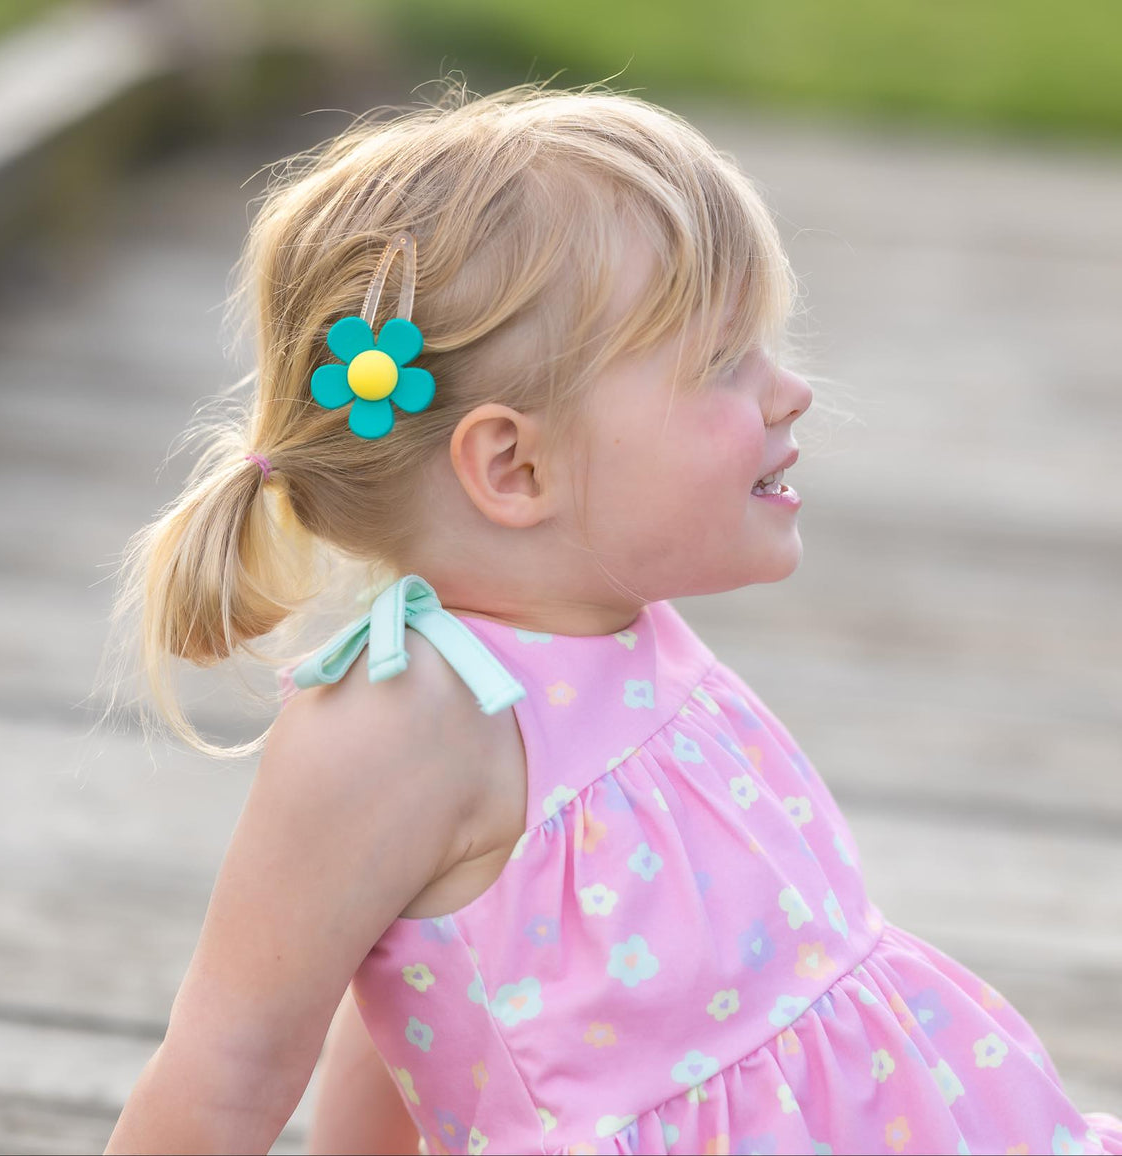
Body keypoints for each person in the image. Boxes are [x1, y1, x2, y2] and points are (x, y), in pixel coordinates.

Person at [101, 83, 1122, 1156]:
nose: (789, 392)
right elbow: (227, 1068)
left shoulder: (618, 628)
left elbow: (434, 979)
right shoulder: (393, 723)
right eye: (723, 361)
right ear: (514, 465)